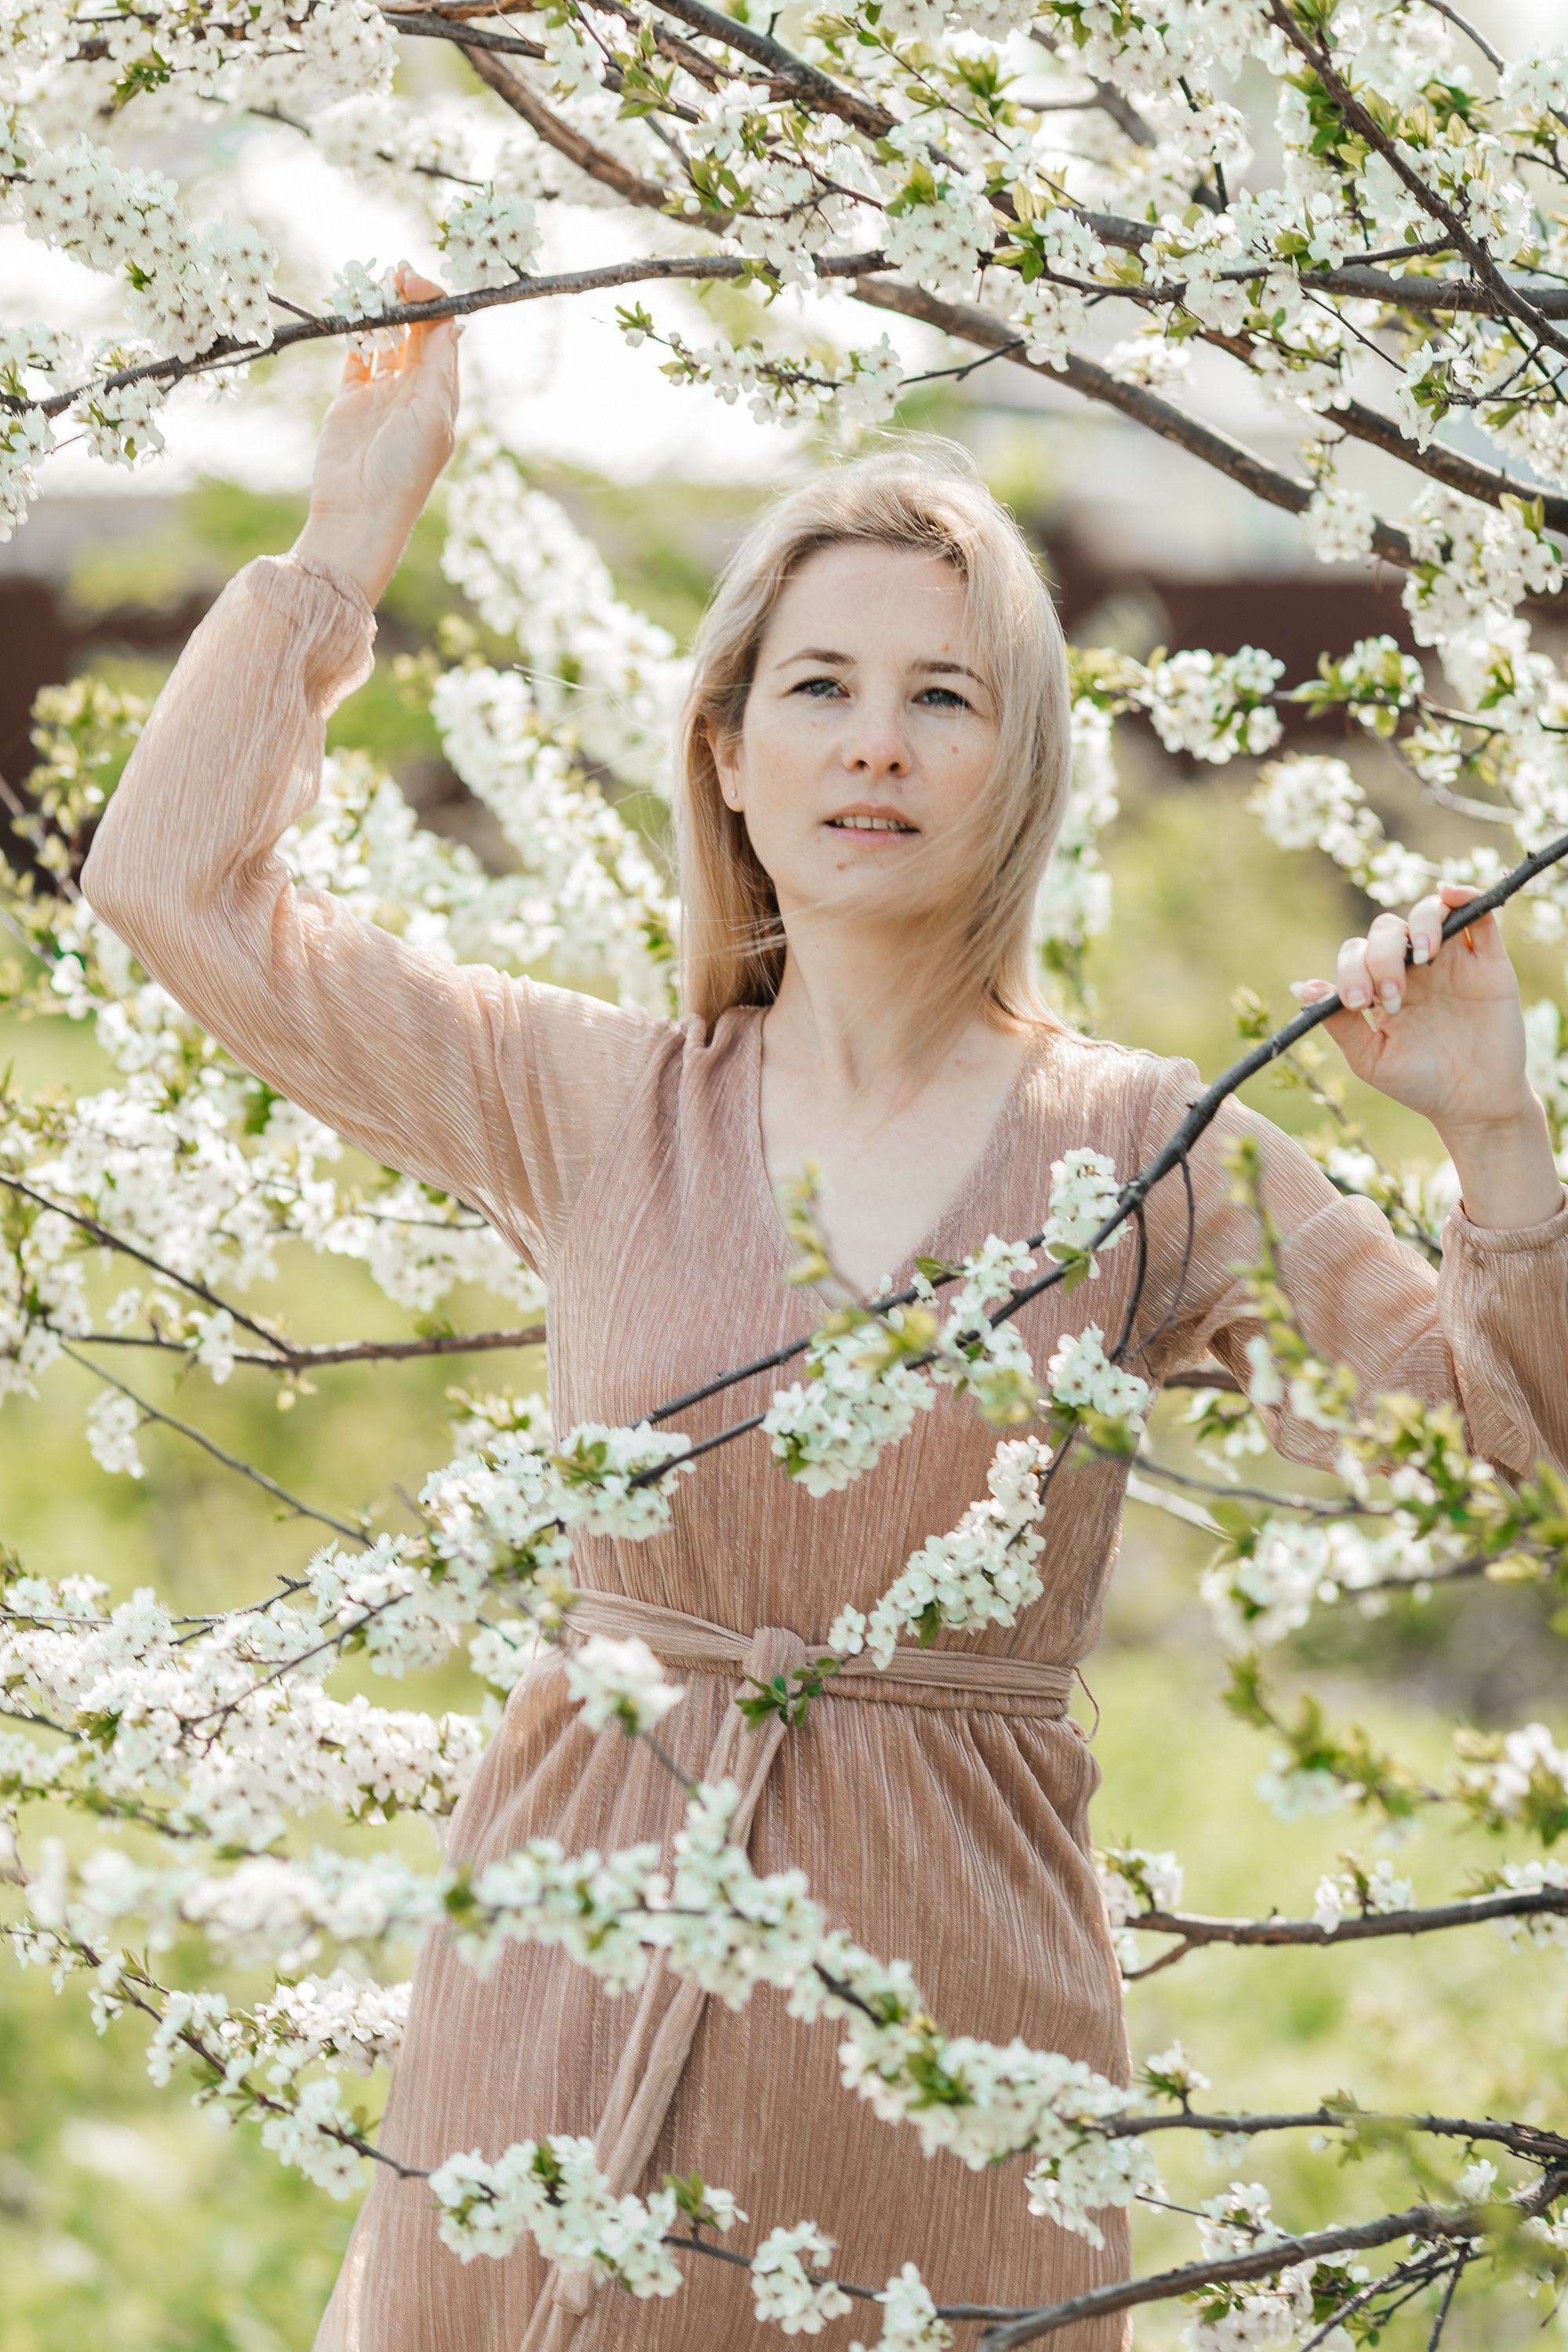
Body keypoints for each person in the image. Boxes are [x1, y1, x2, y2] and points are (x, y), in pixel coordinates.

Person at [82, 269, 1568, 2352]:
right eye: (823, 687)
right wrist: (348, 544)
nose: (879, 741)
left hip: (945, 2062)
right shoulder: (586, 1099)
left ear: (1023, 765)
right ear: (728, 746)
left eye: (946, 696)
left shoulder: (1151, 1159)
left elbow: (1494, 1465)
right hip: (568, 2000)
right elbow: (172, 890)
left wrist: (1498, 1129)